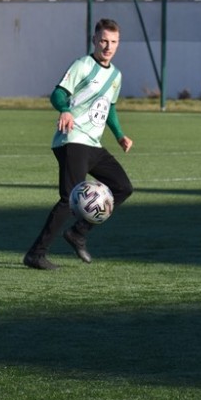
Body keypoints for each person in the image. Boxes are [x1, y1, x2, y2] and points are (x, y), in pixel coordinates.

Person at [23, 18, 134, 270]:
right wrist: (64, 109)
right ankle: (36, 254)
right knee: (68, 198)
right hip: (72, 138)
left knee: (123, 187)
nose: (108, 46)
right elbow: (58, 93)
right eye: (103, 40)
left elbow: (109, 108)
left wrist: (119, 135)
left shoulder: (116, 76)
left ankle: (78, 232)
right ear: (94, 40)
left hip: (93, 143)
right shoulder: (83, 65)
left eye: (113, 42)